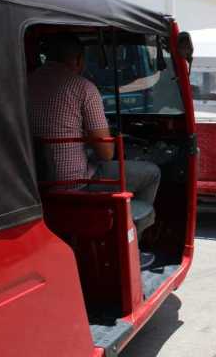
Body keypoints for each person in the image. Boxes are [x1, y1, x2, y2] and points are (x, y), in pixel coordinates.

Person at [28, 34, 161, 225]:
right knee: (152, 173)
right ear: (79, 60)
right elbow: (106, 153)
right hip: (74, 183)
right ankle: (132, 235)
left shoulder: (24, 83)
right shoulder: (83, 88)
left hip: (34, 182)